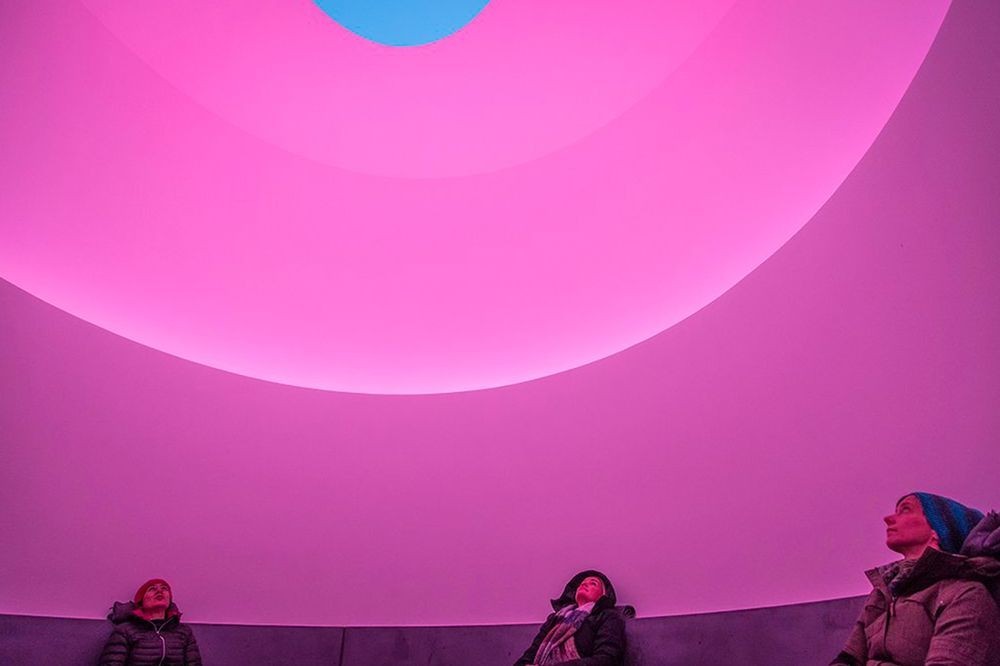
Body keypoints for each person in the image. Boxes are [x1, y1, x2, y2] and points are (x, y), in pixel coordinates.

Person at [831, 492, 1000, 666]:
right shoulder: (883, 593)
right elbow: (848, 658)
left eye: (905, 510)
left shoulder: (965, 594)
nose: (888, 519)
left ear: (938, 530)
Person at [515, 569, 626, 666]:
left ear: (604, 595)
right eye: (582, 583)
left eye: (593, 583)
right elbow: (531, 654)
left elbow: (607, 659)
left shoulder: (607, 617)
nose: (584, 585)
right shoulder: (554, 619)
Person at [100, 578, 202, 666]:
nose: (159, 591)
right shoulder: (125, 631)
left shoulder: (184, 632)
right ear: (141, 601)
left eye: (164, 588)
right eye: (152, 589)